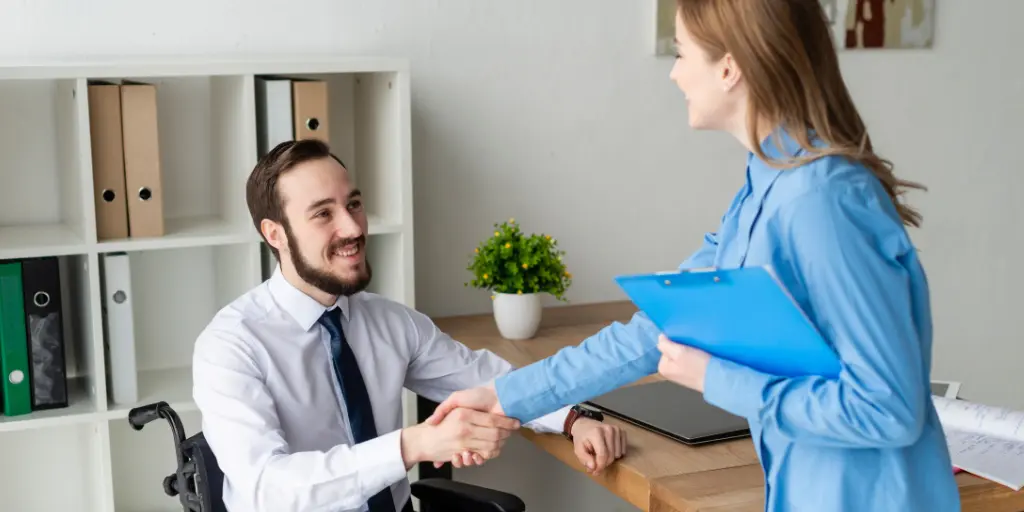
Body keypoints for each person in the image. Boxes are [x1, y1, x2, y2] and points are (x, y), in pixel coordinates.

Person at [426, 0, 960, 510]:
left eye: (681, 53)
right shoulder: (765, 183)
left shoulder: (822, 201)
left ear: (729, 67)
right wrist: (505, 396)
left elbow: (887, 410)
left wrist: (716, 379)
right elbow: (655, 329)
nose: (674, 73)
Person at [191, 139, 626, 512]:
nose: (352, 227)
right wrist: (412, 445)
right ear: (275, 234)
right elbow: (269, 487)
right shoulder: (231, 345)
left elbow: (487, 379)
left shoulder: (389, 321)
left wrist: (574, 418)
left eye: (354, 204)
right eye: (323, 214)